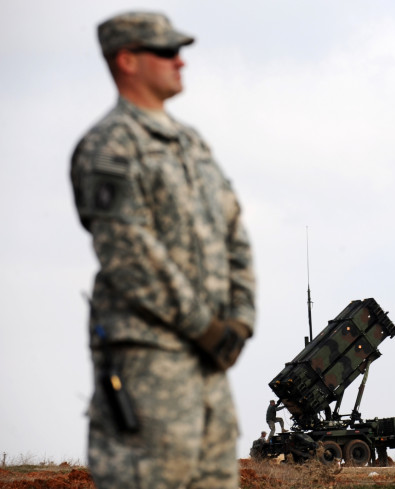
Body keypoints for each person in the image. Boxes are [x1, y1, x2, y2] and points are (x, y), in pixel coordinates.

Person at [70, 11, 256, 489]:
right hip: (150, 366)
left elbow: (235, 231)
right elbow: (130, 253)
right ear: (127, 60)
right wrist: (207, 328)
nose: (181, 62)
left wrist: (240, 320)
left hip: (210, 371)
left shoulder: (193, 145)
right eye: (167, 52)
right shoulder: (109, 147)